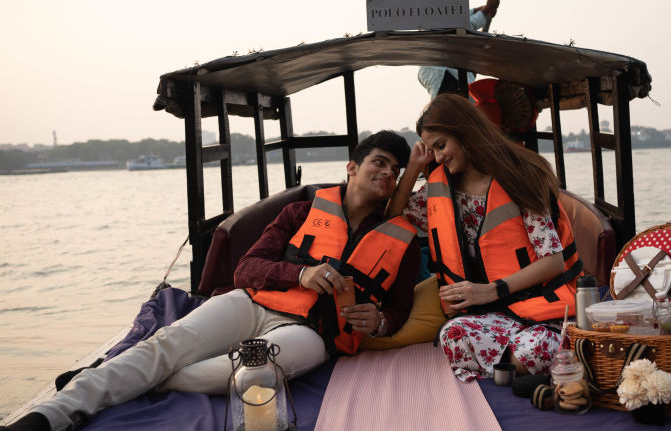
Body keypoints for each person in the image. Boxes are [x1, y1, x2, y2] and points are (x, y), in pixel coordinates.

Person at [5, 131, 419, 431]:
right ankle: (50, 416)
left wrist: (379, 322)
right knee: (167, 343)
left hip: (312, 332)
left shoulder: (402, 240)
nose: (386, 172)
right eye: (378, 162)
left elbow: (399, 308)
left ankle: (134, 375)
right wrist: (299, 273)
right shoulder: (300, 213)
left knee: (254, 376)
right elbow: (247, 269)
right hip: (251, 304)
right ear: (353, 167)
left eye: (395, 169)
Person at [386, 94, 584, 382]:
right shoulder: (441, 188)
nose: (439, 157)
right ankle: (518, 368)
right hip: (489, 316)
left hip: (541, 307)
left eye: (442, 145)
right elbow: (394, 215)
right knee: (452, 337)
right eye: (432, 150)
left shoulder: (520, 177)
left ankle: (518, 363)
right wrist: (415, 166)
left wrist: (490, 290)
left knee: (533, 350)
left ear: (465, 133)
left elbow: (554, 262)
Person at [418, 0, 501, 98]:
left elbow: (462, 15)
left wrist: (485, 8)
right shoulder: (430, 5)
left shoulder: (443, 4)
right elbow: (465, 27)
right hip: (442, 72)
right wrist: (486, 11)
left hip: (453, 71)